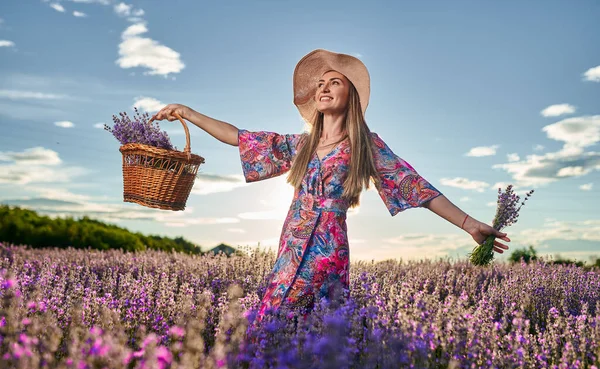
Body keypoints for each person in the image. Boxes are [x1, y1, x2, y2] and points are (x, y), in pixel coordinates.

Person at [150, 49, 511, 319]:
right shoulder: (301, 144)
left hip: (329, 246)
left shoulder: (366, 146)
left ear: (349, 94)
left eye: (333, 82)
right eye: (319, 83)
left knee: (319, 324)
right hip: (292, 240)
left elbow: (415, 185)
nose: (323, 87)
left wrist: (468, 224)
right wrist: (188, 113)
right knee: (271, 320)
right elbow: (240, 137)